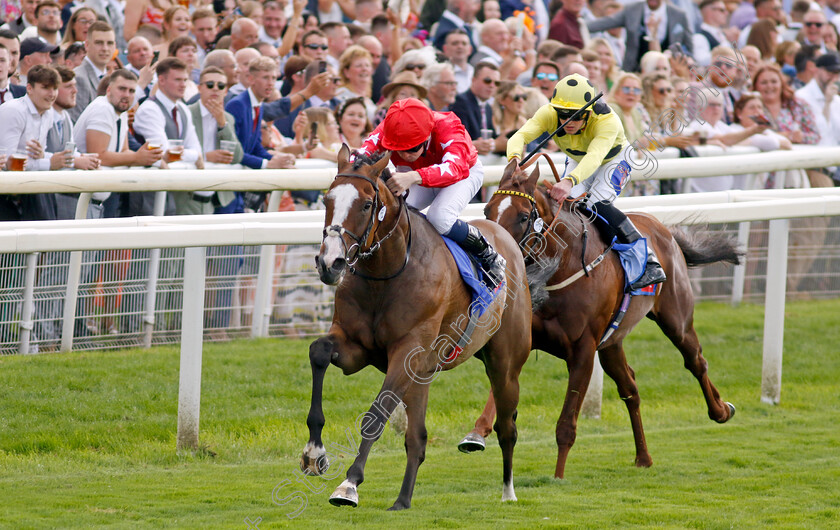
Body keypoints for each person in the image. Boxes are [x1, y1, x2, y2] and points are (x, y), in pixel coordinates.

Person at [507, 73, 666, 291]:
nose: (568, 122)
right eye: (563, 115)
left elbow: (595, 156)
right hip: (579, 158)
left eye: (576, 116)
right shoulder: (548, 113)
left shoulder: (607, 121)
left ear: (589, 112)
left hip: (613, 159)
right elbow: (519, 136)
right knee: (569, 206)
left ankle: (647, 260)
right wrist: (514, 159)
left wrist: (569, 180)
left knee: (596, 203)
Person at [357, 97, 506, 289]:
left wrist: (414, 176)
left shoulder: (448, 126)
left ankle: (488, 254)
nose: (405, 155)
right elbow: (359, 155)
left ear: (427, 136)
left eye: (412, 148)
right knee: (394, 211)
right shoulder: (389, 127)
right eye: (398, 149)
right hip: (418, 175)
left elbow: (455, 168)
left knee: (440, 217)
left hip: (463, 174)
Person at [70, 21, 116, 122]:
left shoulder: (111, 76)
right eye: (99, 43)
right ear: (87, 45)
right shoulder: (79, 78)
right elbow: (78, 123)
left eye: (110, 43)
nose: (105, 48)